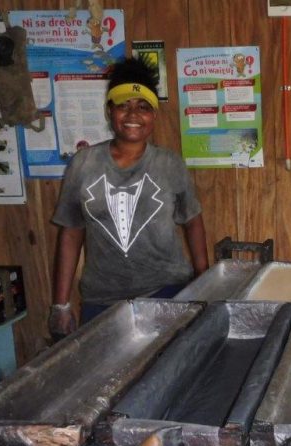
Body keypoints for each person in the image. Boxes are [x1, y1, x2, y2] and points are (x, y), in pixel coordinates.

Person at [48, 57, 208, 340]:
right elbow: (71, 233)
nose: (133, 114)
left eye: (143, 107)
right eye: (124, 105)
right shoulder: (84, 164)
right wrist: (60, 305)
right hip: (103, 300)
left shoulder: (169, 164)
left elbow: (192, 220)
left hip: (167, 293)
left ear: (154, 115)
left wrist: (204, 280)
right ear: (110, 111)